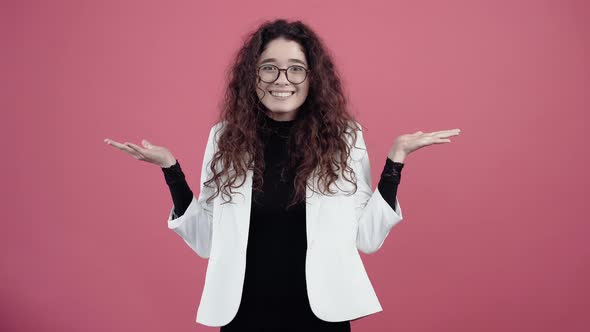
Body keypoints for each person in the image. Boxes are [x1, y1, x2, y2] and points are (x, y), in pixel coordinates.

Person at [104, 19, 460, 332]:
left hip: (321, 315)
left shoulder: (345, 139)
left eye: (296, 69)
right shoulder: (224, 138)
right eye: (269, 68)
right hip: (244, 313)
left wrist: (395, 162)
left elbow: (367, 237)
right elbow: (206, 242)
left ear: (312, 77)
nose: (282, 80)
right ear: (252, 75)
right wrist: (172, 171)